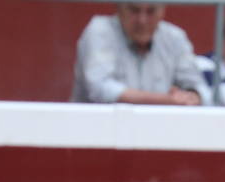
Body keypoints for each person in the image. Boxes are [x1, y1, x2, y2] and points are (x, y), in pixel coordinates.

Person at [70, 3, 206, 105]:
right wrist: (166, 100)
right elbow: (100, 88)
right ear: (119, 9)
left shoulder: (175, 37)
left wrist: (193, 97)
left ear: (162, 11)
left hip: (159, 135)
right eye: (134, 10)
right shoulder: (100, 31)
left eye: (151, 11)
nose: (142, 20)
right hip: (99, 135)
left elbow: (199, 87)